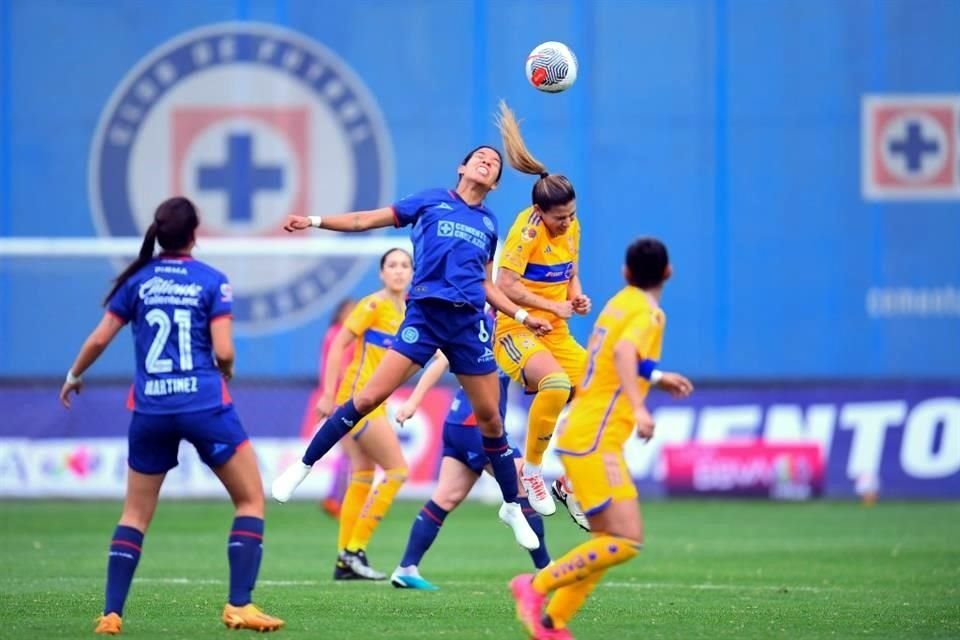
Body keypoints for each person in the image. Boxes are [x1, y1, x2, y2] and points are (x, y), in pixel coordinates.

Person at [271, 145, 552, 550]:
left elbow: (486, 285)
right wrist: (315, 220)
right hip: (424, 318)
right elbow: (364, 219)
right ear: (462, 166)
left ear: (495, 183)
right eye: (481, 157)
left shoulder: (489, 224)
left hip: (468, 325)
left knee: (491, 421)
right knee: (367, 397)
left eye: (495, 164)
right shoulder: (432, 201)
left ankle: (511, 505)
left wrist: (524, 317)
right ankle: (303, 466)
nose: (489, 161)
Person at [59, 197, 284, 635]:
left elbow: (101, 336)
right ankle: (240, 605)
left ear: (158, 234)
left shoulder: (137, 281)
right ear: (195, 234)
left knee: (135, 514)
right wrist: (228, 369)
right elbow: (223, 351)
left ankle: (111, 613)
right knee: (250, 500)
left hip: (151, 409)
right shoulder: (211, 281)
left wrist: (73, 375)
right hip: (204, 405)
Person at [509, 237, 694, 640]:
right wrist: (640, 407)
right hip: (594, 437)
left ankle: (552, 622)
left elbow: (614, 355)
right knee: (627, 540)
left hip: (584, 431)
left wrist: (658, 379)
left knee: (607, 540)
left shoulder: (618, 303)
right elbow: (626, 353)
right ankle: (535, 586)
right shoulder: (649, 313)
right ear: (669, 272)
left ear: (626, 273)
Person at [493, 101, 591, 516]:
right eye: (559, 218)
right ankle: (532, 471)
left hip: (556, 331)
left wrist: (576, 296)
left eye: (571, 214)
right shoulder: (526, 229)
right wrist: (551, 304)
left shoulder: (572, 225)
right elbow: (504, 285)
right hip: (516, 331)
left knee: (600, 392)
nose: (566, 222)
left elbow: (570, 272)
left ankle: (570, 481)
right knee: (554, 385)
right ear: (539, 212)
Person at [388, 350, 550, 591]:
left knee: (446, 497)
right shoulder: (486, 328)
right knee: (522, 485)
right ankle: (546, 569)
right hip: (475, 426)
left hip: (458, 423)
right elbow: (442, 360)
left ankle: (406, 568)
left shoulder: (505, 334)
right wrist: (412, 402)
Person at [315, 249, 413, 580]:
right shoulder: (373, 305)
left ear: (412, 273)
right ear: (382, 274)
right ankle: (355, 549)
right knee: (397, 471)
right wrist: (328, 393)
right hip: (357, 402)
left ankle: (345, 562)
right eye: (392, 266)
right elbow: (338, 344)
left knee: (362, 474)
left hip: (375, 403)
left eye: (404, 265)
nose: (398, 271)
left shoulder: (409, 311)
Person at [307, 297, 356, 519]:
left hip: (339, 396)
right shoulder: (338, 335)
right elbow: (339, 366)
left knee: (348, 452)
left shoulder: (336, 334)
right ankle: (336, 499)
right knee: (349, 452)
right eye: (349, 310)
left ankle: (337, 497)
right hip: (341, 398)